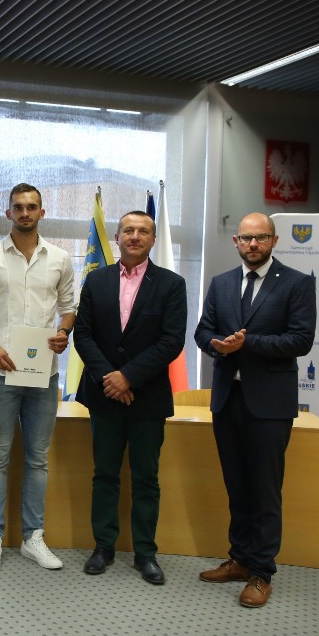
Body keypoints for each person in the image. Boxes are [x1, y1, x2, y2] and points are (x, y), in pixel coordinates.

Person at [194, 212, 316, 608]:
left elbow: (301, 339)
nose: (253, 244)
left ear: (274, 241)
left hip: (270, 404)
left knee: (264, 489)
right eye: (246, 238)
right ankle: (241, 559)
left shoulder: (297, 283)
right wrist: (217, 345)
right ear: (236, 242)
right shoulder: (222, 283)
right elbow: (202, 331)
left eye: (261, 237)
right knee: (237, 485)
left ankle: (262, 572)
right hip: (227, 399)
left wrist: (247, 343)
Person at [73, 210, 186, 585]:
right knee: (104, 475)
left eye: (143, 231)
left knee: (146, 478)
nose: (135, 236)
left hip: (147, 397)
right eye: (128, 230)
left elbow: (172, 341)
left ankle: (145, 553)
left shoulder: (171, 284)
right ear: (117, 237)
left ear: (153, 240)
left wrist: (129, 377)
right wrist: (111, 378)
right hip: (104, 394)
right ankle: (103, 546)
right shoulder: (96, 280)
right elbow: (83, 334)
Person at [0, 183, 75, 571]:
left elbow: (68, 308)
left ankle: (33, 538)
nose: (25, 212)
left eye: (31, 207)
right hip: (0, 372)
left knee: (38, 460)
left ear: (42, 213)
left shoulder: (60, 258)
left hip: (44, 375)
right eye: (18, 207)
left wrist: (63, 333)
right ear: (8, 212)